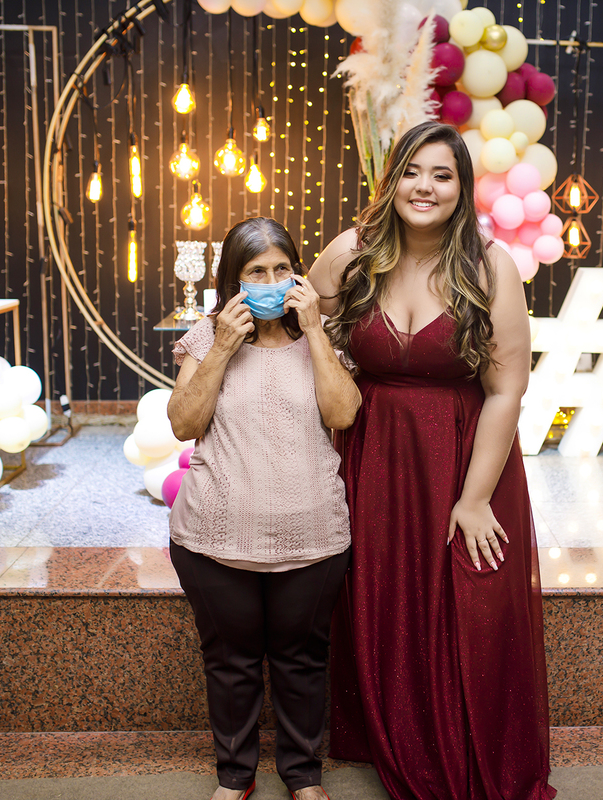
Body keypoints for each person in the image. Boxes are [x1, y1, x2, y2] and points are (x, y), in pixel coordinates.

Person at [309, 121, 556, 800]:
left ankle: (464, 743)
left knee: (468, 601)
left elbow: (506, 390)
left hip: (463, 455)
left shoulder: (489, 265)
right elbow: (301, 316)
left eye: (442, 175)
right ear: (391, 182)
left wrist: (473, 499)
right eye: (412, 172)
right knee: (383, 594)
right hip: (375, 453)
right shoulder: (355, 254)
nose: (425, 187)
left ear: (462, 188)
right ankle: (392, 734)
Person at [168, 217, 360, 800]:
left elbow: (342, 414)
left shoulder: (323, 336)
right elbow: (183, 423)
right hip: (214, 536)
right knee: (230, 661)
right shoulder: (205, 338)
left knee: (302, 660)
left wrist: (315, 330)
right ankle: (235, 776)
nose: (272, 282)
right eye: (257, 272)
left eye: (282, 269)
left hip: (313, 535)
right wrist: (224, 346)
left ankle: (303, 775)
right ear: (234, 282)